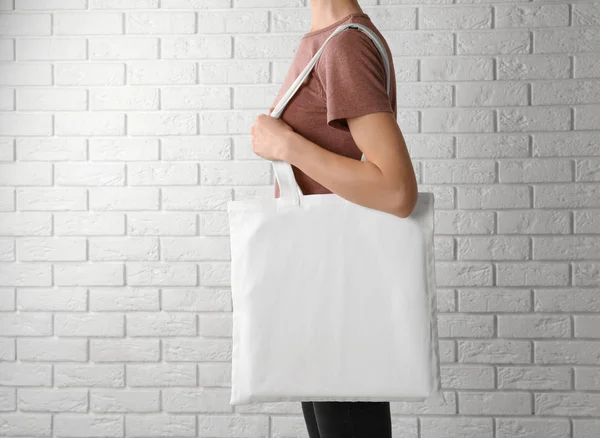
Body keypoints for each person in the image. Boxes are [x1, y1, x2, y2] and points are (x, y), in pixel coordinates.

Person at [249, 1, 418, 437]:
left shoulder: (345, 46)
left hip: (336, 292)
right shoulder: (324, 41)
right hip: (318, 285)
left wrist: (286, 146)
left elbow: (397, 191)